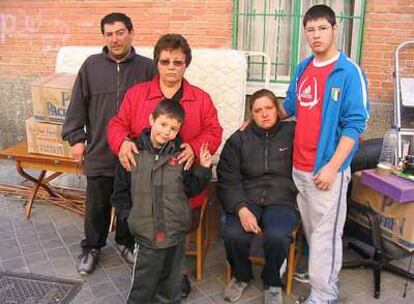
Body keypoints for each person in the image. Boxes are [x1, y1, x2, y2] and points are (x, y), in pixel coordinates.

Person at [107, 33, 223, 296]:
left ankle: (171, 281)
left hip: (179, 189)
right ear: (156, 63)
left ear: (186, 64)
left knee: (173, 241)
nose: (171, 67)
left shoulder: (201, 98)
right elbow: (117, 125)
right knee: (150, 246)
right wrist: (122, 143)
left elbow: (214, 130)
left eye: (178, 62)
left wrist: (194, 147)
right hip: (143, 191)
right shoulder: (137, 94)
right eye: (165, 61)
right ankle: (153, 282)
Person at [281, 5, 370, 303]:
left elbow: (355, 124)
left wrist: (332, 167)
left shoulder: (348, 72)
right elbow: (290, 105)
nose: (316, 35)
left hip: (326, 170)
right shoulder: (304, 67)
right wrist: (260, 116)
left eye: (322, 28)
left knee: (325, 237)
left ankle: (324, 294)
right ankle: (321, 276)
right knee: (313, 231)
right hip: (300, 166)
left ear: (335, 29)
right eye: (310, 29)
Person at [62, 12, 157, 275]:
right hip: (100, 149)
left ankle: (126, 243)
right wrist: (76, 139)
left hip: (135, 151)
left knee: (130, 202)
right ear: (104, 36)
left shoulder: (147, 68)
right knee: (97, 204)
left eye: (120, 32)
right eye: (109, 34)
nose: (115, 39)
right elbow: (77, 105)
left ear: (131, 32)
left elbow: (158, 108)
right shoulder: (91, 66)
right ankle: (92, 247)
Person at [111, 101, 212, 303]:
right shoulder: (132, 153)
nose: (167, 132)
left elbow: (191, 188)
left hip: (174, 232)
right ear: (151, 120)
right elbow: (120, 192)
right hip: (146, 233)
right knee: (144, 283)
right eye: (163, 124)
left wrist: (204, 169)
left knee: (171, 283)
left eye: (173, 128)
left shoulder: (180, 157)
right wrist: (129, 218)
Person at [217, 89, 300, 304]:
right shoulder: (239, 139)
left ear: (277, 109)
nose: (264, 114)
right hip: (248, 197)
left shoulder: (293, 132)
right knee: (233, 233)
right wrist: (241, 208)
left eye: (269, 108)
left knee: (278, 235)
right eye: (258, 110)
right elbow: (228, 177)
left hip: (283, 198)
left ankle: (272, 281)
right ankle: (241, 275)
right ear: (251, 114)